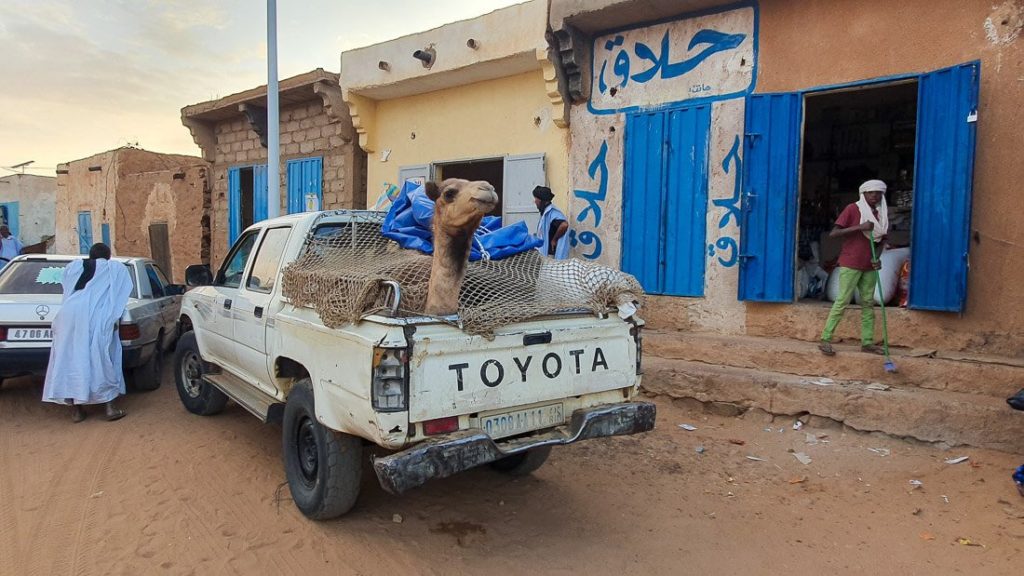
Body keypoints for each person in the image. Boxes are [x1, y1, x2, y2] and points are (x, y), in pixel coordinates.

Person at [42, 243, 133, 422]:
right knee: (102, 358)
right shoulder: (114, 268)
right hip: (97, 315)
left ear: (90, 256)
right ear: (108, 256)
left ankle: (77, 411)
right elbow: (121, 292)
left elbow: (66, 286)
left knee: (70, 358)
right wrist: (112, 318)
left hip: (69, 314)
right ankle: (109, 408)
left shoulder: (75, 266)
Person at [818, 179, 889, 356]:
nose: (875, 196)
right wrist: (860, 227)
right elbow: (834, 233)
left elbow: (881, 241)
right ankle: (825, 339)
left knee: (868, 303)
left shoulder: (882, 215)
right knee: (842, 300)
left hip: (869, 265)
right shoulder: (853, 209)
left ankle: (867, 342)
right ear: (863, 193)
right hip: (851, 263)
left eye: (878, 193)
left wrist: (877, 258)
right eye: (871, 192)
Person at [533, 186, 569, 259]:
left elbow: (564, 225)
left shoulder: (553, 213)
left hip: (551, 256)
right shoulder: (545, 212)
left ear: (540, 200)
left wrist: (554, 240)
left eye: (536, 199)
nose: (535, 202)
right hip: (545, 254)